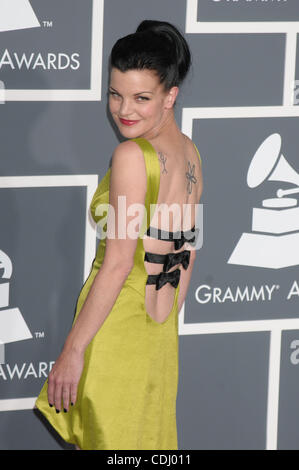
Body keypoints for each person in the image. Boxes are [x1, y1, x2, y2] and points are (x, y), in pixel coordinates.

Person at [35, 19, 203, 450]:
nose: (124, 110)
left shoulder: (131, 155)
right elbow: (189, 248)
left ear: (171, 96)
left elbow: (115, 266)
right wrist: (160, 322)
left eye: (141, 98)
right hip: (157, 332)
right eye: (115, 93)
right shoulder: (190, 153)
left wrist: (72, 350)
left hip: (112, 328)